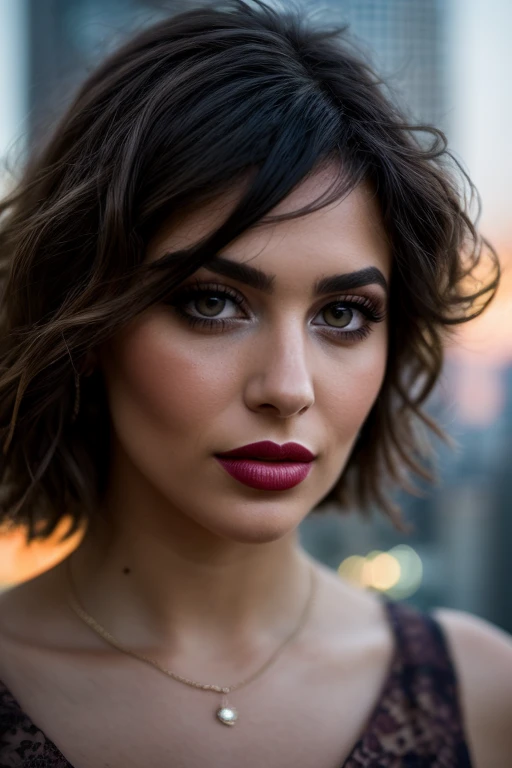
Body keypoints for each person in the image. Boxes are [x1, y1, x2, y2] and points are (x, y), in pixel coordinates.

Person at [0, 1, 510, 766]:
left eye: (343, 313)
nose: (289, 387)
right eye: (212, 302)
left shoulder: (486, 696)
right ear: (86, 324)